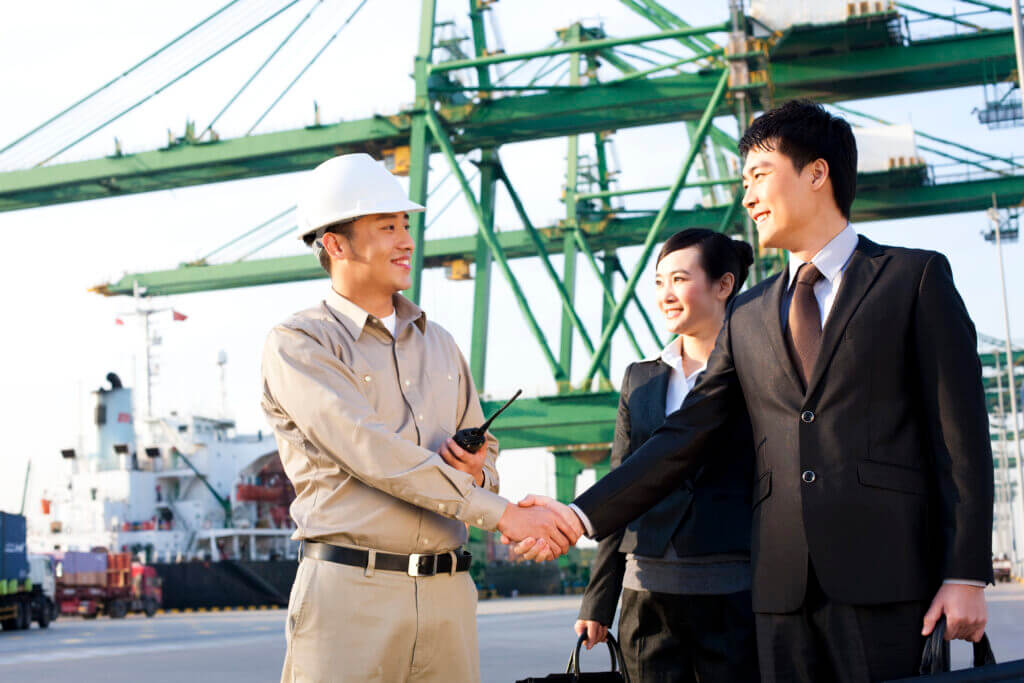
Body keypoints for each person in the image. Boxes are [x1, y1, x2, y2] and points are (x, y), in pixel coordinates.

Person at [521, 100, 994, 682]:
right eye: (744, 180)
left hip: (890, 582)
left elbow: (962, 440)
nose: (747, 196)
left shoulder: (912, 278)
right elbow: (684, 435)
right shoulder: (747, 314)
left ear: (816, 173)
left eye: (759, 175)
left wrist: (965, 574)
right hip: (779, 594)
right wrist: (577, 514)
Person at [261, 153, 581, 682]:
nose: (407, 240)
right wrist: (503, 513)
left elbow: (488, 462)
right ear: (335, 244)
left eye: (406, 225)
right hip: (350, 596)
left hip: (448, 596)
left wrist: (476, 471)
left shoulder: (443, 345)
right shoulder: (300, 343)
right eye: (387, 226)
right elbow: (371, 451)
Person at [575, 229, 759, 682]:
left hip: (733, 592)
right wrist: (599, 600)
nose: (665, 294)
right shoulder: (638, 379)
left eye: (679, 279)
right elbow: (624, 484)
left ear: (724, 285)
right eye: (658, 282)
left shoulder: (760, 370)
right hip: (646, 599)